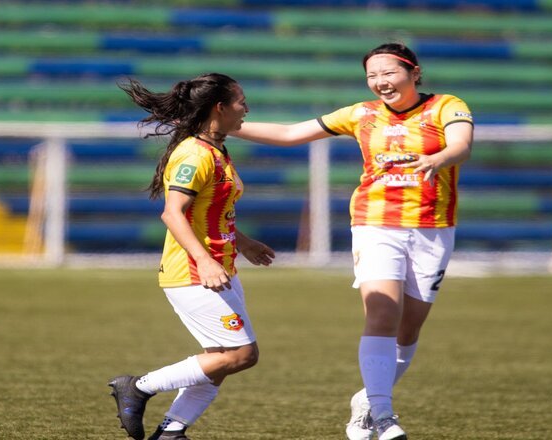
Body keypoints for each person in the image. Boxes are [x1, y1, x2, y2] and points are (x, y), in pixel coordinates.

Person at [231, 42, 473, 440]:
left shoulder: (447, 105)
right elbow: (292, 132)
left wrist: (438, 158)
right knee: (382, 313)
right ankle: (382, 412)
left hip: (432, 227)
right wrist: (221, 127)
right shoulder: (360, 113)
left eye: (389, 73)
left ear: (413, 72)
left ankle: (367, 399)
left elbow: (461, 144)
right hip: (375, 223)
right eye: (372, 76)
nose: (380, 82)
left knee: (409, 330)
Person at [108, 73, 276, 440]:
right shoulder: (194, 155)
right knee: (242, 355)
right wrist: (204, 260)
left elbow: (211, 212)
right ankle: (138, 386)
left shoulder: (216, 149)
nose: (246, 108)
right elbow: (172, 213)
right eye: (241, 101)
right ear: (220, 107)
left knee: (217, 360)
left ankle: (171, 432)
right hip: (194, 272)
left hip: (219, 268)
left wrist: (243, 243)